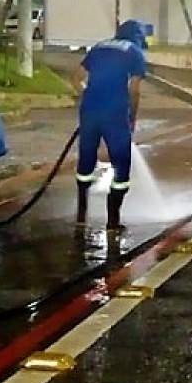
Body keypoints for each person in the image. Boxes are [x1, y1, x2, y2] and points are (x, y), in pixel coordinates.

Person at [73, 19, 148, 232]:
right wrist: (132, 117)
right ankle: (113, 221)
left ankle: (81, 215)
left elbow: (75, 78)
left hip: (89, 111)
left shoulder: (99, 47)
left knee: (86, 161)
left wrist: (88, 96)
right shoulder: (134, 52)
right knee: (121, 166)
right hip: (115, 114)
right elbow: (134, 90)